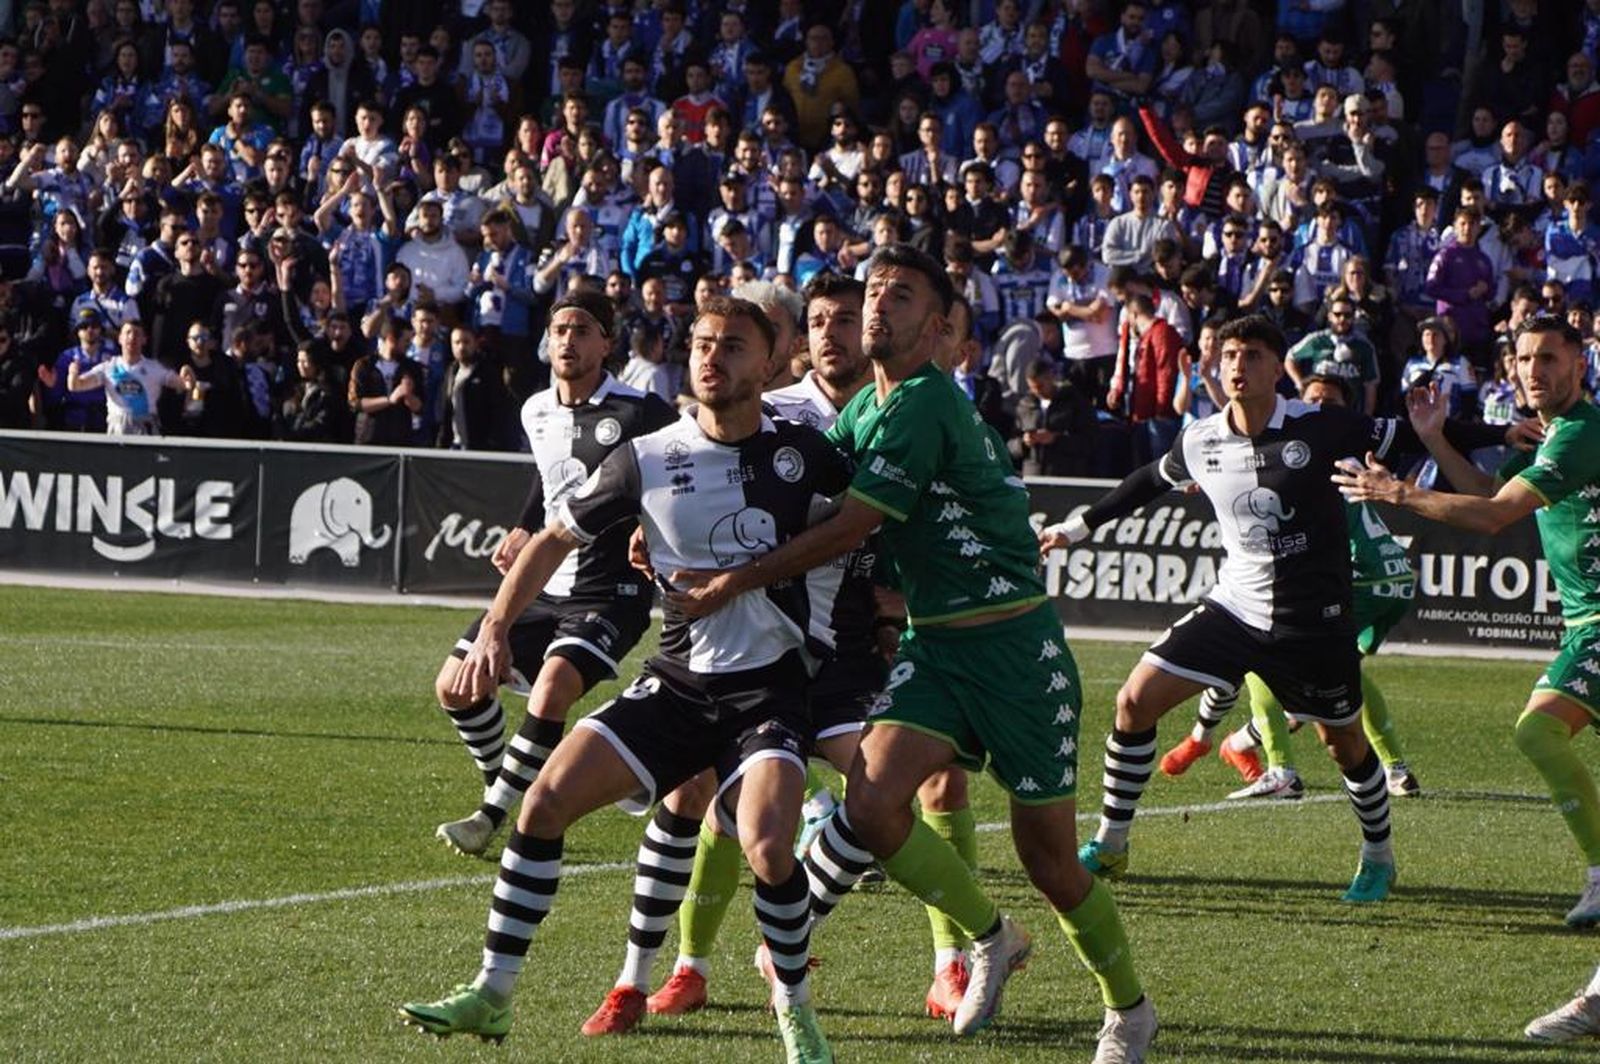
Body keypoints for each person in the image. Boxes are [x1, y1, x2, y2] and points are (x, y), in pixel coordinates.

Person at [663, 244, 1155, 1060]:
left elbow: (849, 526)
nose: (877, 308)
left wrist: (729, 583)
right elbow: (794, 500)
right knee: (872, 801)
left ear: (939, 329)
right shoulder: (863, 411)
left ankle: (1129, 1010)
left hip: (1016, 651)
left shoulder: (925, 402)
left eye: (900, 296)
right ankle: (991, 937)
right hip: (934, 648)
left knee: (1053, 864)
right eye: (872, 294)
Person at [401, 295, 850, 1064]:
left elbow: (863, 531)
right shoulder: (649, 455)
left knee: (771, 849)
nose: (713, 358)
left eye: (733, 346)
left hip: (768, 691)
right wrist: (500, 626)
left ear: (770, 362)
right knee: (542, 804)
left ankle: (796, 1014)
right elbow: (551, 538)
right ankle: (493, 993)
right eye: (703, 343)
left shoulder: (806, 455)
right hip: (677, 680)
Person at [1047, 315, 1515, 904]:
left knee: (1343, 744)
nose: (1238, 366)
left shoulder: (1321, 426)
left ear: (1276, 367)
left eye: (1252, 355)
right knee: (1134, 700)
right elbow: (1147, 480)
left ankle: (1378, 858)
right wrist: (1077, 526)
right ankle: (1112, 843)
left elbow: (1417, 430)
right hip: (1234, 606)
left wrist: (1501, 430)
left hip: (1312, 616)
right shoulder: (1200, 438)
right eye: (1230, 355)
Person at [1333, 316, 1600, 928]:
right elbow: (1483, 488)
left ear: (1579, 364)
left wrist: (1398, 492)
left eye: (1550, 359)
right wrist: (1432, 438)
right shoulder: (1557, 436)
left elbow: (1493, 517)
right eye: (1525, 359)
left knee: (1538, 733)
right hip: (1588, 622)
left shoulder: (1579, 434)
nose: (1534, 370)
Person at [430, 291, 679, 856]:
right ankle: (505, 779)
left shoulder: (641, 412)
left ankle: (490, 816)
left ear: (606, 343)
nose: (567, 339)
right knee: (455, 686)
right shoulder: (535, 409)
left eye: (582, 329)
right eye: (559, 329)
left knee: (553, 687)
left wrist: (652, 527)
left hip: (609, 591)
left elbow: (684, 465)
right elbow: (550, 481)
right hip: (546, 585)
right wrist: (523, 527)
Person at [1165, 372, 1423, 802]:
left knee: (1265, 653)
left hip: (1359, 577)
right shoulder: (1323, 448)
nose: (1322, 406)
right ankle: (1390, 768)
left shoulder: (1316, 450)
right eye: (1315, 398)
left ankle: (1279, 768)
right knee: (1333, 675)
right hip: (1390, 579)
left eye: (1332, 401)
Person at [65, 320, 193, 435]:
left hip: (146, 426)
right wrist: (73, 374)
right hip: (118, 427)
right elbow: (76, 386)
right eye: (128, 333)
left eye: (137, 334)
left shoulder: (154, 368)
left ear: (144, 339)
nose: (132, 337)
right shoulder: (108, 367)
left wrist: (187, 373)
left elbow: (185, 384)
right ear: (120, 338)